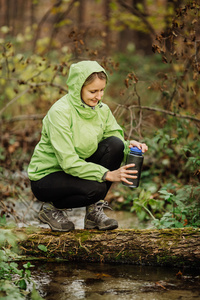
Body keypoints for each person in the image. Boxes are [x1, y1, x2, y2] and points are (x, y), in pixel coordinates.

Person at [28, 60, 148, 232]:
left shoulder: (101, 109)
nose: (99, 96)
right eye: (93, 91)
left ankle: (93, 214)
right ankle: (50, 209)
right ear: (78, 89)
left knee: (116, 145)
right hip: (47, 177)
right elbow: (68, 162)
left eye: (101, 90)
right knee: (96, 188)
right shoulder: (60, 113)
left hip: (75, 170)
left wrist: (130, 146)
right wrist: (107, 174)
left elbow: (112, 138)